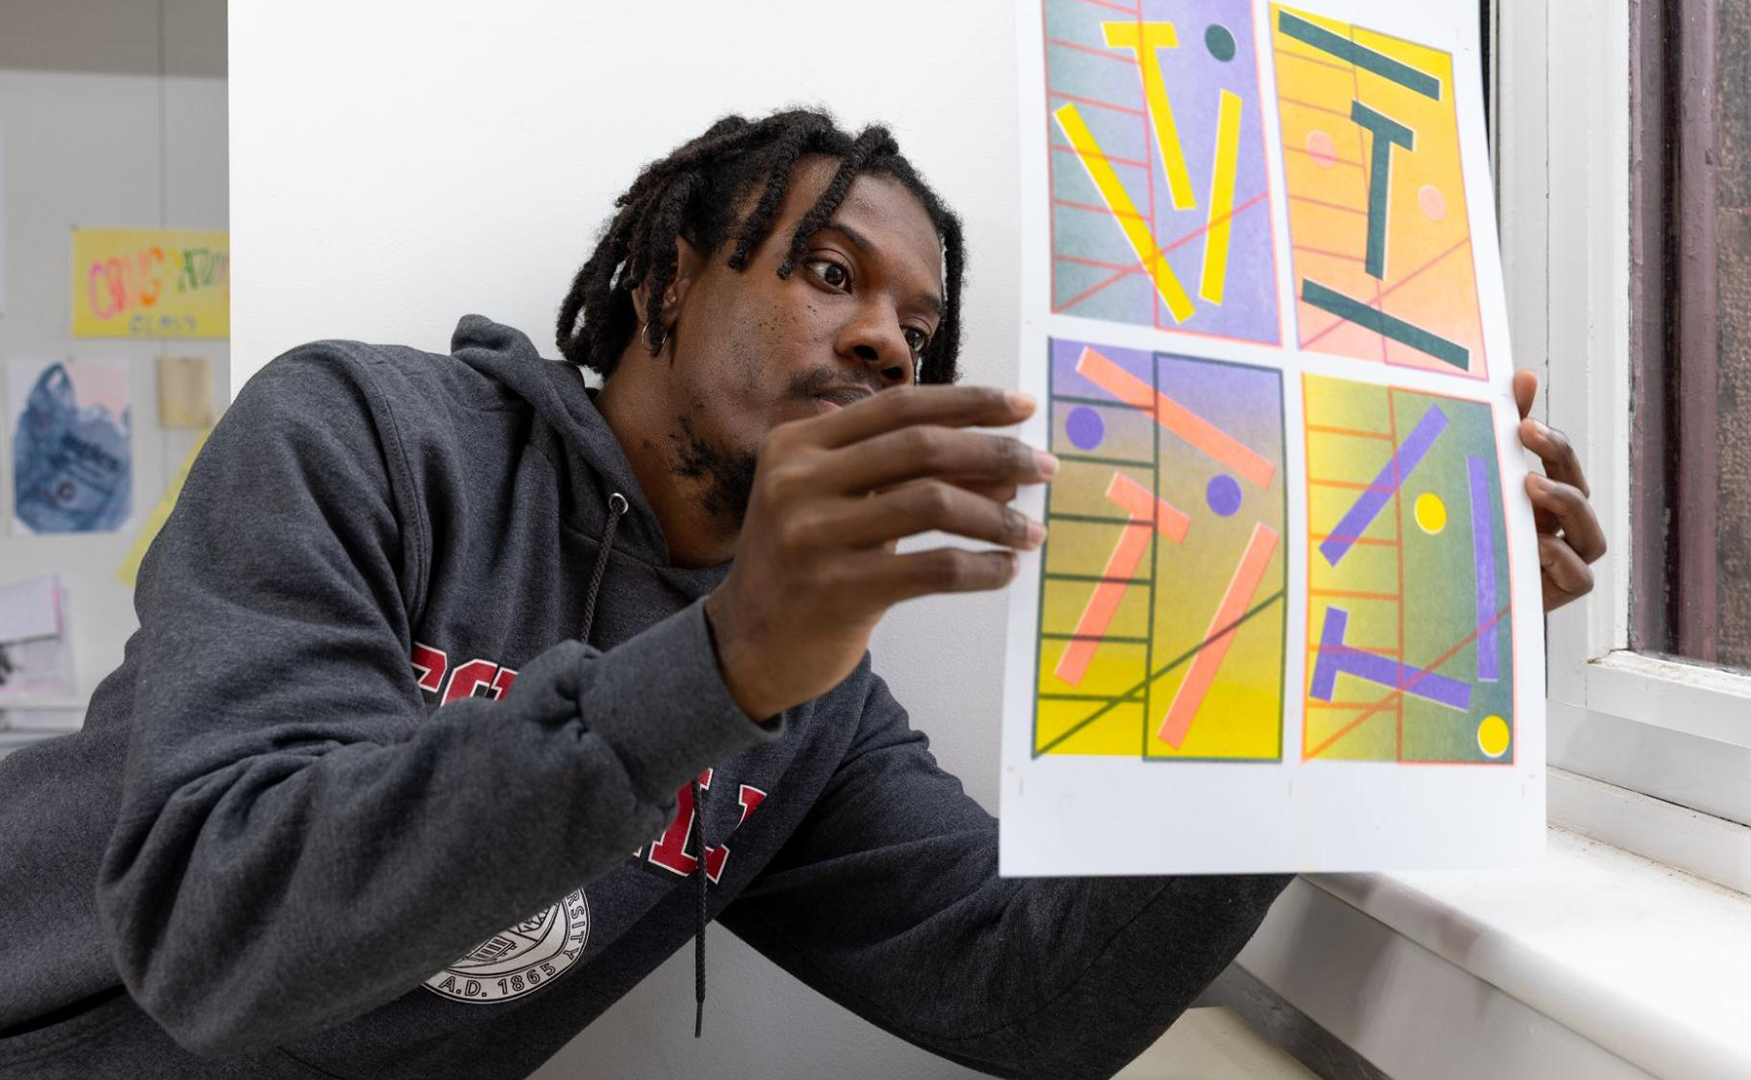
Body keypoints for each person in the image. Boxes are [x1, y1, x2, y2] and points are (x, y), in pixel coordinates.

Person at [0, 109, 1605, 1080]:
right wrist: (719, 663)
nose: (883, 343)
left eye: (918, 330)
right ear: (667, 276)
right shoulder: (362, 435)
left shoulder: (808, 712)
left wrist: (1357, 663)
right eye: (831, 274)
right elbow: (215, 936)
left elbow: (1027, 995)